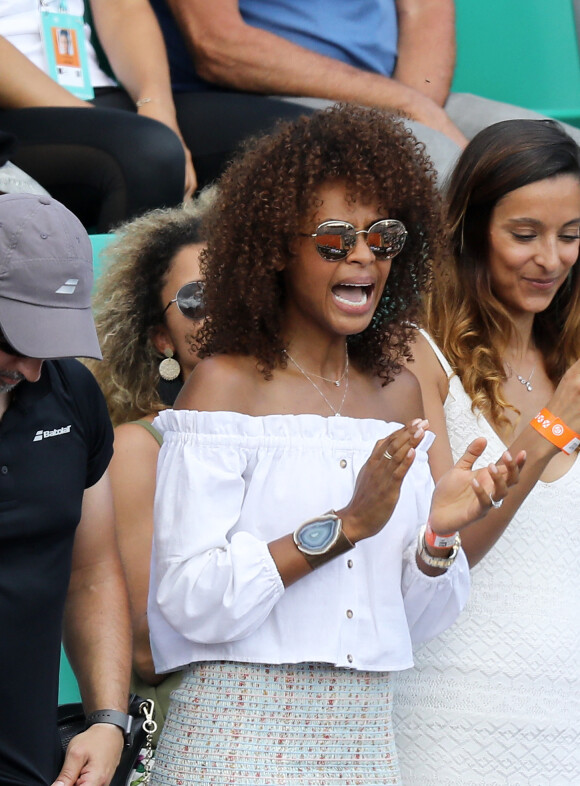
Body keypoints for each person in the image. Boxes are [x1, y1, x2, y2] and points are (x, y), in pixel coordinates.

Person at [146, 105, 523, 785]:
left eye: (383, 236)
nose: (362, 254)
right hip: (238, 733)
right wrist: (345, 527)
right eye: (333, 238)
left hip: (363, 739)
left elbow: (413, 620)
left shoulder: (399, 394)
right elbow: (187, 598)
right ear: (274, 249)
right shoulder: (225, 386)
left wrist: (437, 537)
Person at [394, 118, 580, 783]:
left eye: (571, 235)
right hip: (455, 711)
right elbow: (443, 554)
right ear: (469, 229)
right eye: (525, 235)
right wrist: (553, 426)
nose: (551, 259)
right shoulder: (420, 355)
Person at [147, 0, 580, 183]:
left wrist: (413, 102)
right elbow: (219, 46)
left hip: (398, 90)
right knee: (432, 159)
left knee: (563, 153)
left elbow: (425, 11)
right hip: (257, 93)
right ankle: (456, 354)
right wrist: (403, 106)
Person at [0, 193, 132, 786]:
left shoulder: (73, 394)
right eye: (15, 338)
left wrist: (107, 720)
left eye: (47, 340)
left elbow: (93, 572)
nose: (31, 367)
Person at [88, 198, 211, 745]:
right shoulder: (136, 450)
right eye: (198, 301)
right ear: (162, 340)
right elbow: (147, 648)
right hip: (187, 736)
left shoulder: (309, 433)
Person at [0, 0, 195, 232]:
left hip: (96, 89)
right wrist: (115, 129)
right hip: (12, 110)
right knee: (148, 151)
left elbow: (124, 8)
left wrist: (158, 107)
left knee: (240, 133)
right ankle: (121, 269)